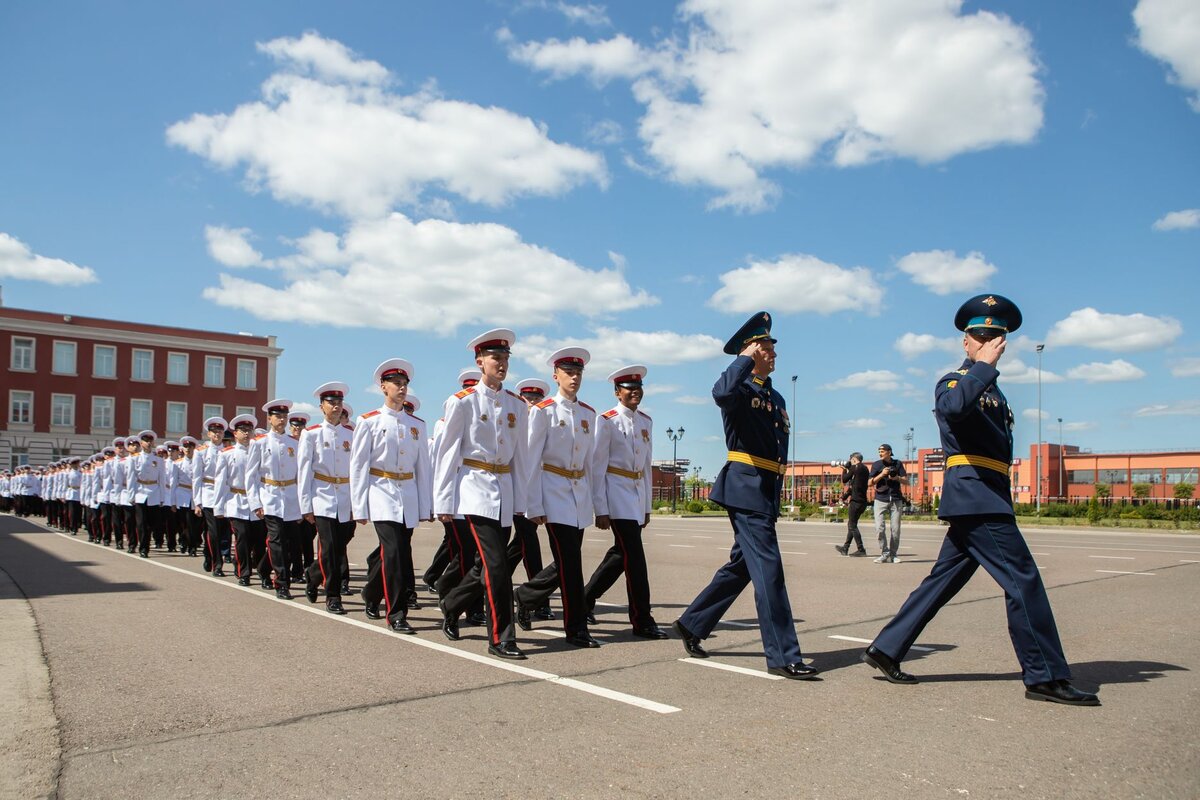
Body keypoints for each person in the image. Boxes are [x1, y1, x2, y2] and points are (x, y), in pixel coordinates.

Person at [862, 293, 1099, 706]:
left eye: (996, 335)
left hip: (986, 495)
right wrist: (984, 368)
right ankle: (1045, 676)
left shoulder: (995, 392)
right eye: (980, 335)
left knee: (943, 581)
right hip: (976, 497)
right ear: (965, 341)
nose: (989, 341)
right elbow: (953, 409)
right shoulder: (956, 381)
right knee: (1023, 579)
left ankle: (886, 648)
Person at [673, 311, 819, 680]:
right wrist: (743, 359)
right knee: (769, 571)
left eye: (771, 347)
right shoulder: (738, 389)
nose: (773, 353)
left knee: (742, 567)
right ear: (750, 350)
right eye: (766, 347)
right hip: (745, 488)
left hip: (764, 491)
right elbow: (720, 392)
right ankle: (784, 654)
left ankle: (693, 622)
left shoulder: (776, 396)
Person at [433, 328, 530, 659]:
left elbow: (521, 456)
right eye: (495, 358)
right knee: (497, 567)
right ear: (479, 362)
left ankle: (451, 603)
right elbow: (447, 453)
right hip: (474, 489)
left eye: (505, 359)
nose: (501, 364)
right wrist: (443, 501)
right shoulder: (462, 402)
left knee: (487, 564)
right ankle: (501, 637)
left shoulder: (516, 404)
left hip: (503, 491)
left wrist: (523, 499)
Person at [514, 347, 600, 648]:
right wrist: (533, 504)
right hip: (552, 493)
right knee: (571, 565)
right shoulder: (543, 411)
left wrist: (595, 503)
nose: (574, 377)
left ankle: (525, 596)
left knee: (567, 562)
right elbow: (530, 461)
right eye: (568, 373)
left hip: (578, 495)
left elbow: (590, 463)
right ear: (556, 376)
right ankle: (576, 629)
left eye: (578, 373)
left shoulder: (589, 414)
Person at [582, 365, 667, 639]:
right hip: (615, 494)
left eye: (638, 388)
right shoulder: (606, 421)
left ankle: (585, 599)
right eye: (629, 389)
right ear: (618, 393)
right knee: (635, 559)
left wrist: (646, 507)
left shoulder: (646, 422)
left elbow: (645, 466)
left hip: (635, 496)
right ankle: (642, 619)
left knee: (621, 555)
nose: (635, 393)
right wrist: (601, 508)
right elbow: (597, 466)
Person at [351, 359, 432, 634]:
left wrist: (425, 505)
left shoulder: (416, 425)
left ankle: (371, 594)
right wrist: (359, 506)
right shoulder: (369, 421)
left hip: (407, 493)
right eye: (396, 383)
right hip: (381, 491)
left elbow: (423, 467)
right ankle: (397, 613)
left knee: (395, 552)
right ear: (383, 387)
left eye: (404, 383)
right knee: (395, 552)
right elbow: (359, 465)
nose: (401, 388)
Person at [299, 382, 355, 615]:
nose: (336, 406)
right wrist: (306, 504)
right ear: (321, 406)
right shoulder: (311, 434)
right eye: (331, 402)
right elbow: (304, 471)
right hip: (322, 497)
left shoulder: (351, 434)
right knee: (330, 547)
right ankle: (333, 596)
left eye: (339, 402)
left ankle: (312, 575)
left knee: (339, 546)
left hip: (346, 497)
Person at [507, 378, 554, 622]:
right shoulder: (512, 423)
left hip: (533, 494)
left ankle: (489, 584)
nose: (532, 402)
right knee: (530, 547)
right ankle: (538, 601)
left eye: (537, 399)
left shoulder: (541, 422)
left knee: (518, 548)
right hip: (514, 493)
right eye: (528, 398)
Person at [247, 398, 303, 599]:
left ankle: (263, 568)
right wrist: (255, 502)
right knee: (277, 540)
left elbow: (299, 474)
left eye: (284, 416)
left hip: (289, 497)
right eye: (278, 416)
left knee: (289, 542)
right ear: (270, 419)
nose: (282, 419)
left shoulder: (294, 443)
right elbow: (251, 476)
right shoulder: (259, 443)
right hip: (269, 496)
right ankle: (282, 583)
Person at [194, 417, 229, 576]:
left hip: (225, 495)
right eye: (214, 431)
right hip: (208, 493)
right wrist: (197, 502)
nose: (217, 434)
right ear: (209, 434)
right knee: (213, 531)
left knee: (221, 532)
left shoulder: (228, 451)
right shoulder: (201, 451)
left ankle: (208, 554)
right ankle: (217, 564)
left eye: (220, 431)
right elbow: (197, 477)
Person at [869, 443, 907, 563]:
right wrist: (882, 474)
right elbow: (870, 483)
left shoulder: (898, 463)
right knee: (879, 528)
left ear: (889, 452)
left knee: (895, 529)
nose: (880, 453)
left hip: (896, 499)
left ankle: (893, 554)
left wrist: (897, 478)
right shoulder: (876, 465)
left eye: (882, 451)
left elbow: (906, 481)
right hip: (880, 499)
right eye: (879, 451)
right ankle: (884, 553)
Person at [835, 452, 869, 556]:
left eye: (850, 460)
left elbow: (845, 479)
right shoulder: (865, 469)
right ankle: (845, 548)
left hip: (855, 502)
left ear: (854, 459)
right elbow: (854, 486)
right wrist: (844, 497)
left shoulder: (855, 467)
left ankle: (861, 549)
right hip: (863, 501)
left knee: (852, 525)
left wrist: (844, 469)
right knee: (852, 524)